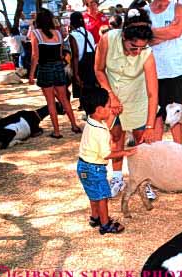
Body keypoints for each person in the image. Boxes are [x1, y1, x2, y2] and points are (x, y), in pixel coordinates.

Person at [94, 8, 159, 198]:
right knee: (116, 138)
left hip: (138, 99)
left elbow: (152, 93)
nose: (137, 52)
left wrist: (150, 125)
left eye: (142, 48)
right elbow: (98, 70)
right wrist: (110, 95)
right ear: (123, 36)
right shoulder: (107, 39)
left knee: (142, 142)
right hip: (112, 95)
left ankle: (145, 181)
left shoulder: (147, 54)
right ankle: (116, 179)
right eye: (133, 47)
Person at [77, 87, 137, 235]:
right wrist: (125, 152)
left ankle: (95, 217)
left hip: (82, 165)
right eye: (108, 106)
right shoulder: (100, 131)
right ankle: (105, 224)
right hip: (94, 168)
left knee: (93, 193)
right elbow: (107, 154)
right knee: (103, 196)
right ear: (99, 110)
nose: (110, 109)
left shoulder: (91, 121)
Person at [29, 8, 81, 138]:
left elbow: (35, 56)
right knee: (64, 99)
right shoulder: (58, 33)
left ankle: (57, 132)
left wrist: (31, 74)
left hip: (45, 68)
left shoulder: (35, 34)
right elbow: (60, 54)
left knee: (51, 102)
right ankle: (74, 125)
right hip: (58, 67)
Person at [147, 0, 182, 143]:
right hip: (151, 69)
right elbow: (143, 37)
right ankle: (156, 148)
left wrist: (151, 33)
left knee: (175, 111)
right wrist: (168, 30)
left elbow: (177, 31)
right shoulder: (145, 11)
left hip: (174, 70)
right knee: (155, 112)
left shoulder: (178, 8)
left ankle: (178, 149)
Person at [68, 11, 97, 105]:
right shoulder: (88, 33)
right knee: (91, 90)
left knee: (82, 90)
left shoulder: (73, 35)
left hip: (81, 65)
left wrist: (75, 74)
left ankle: (87, 110)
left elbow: (75, 55)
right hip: (92, 63)